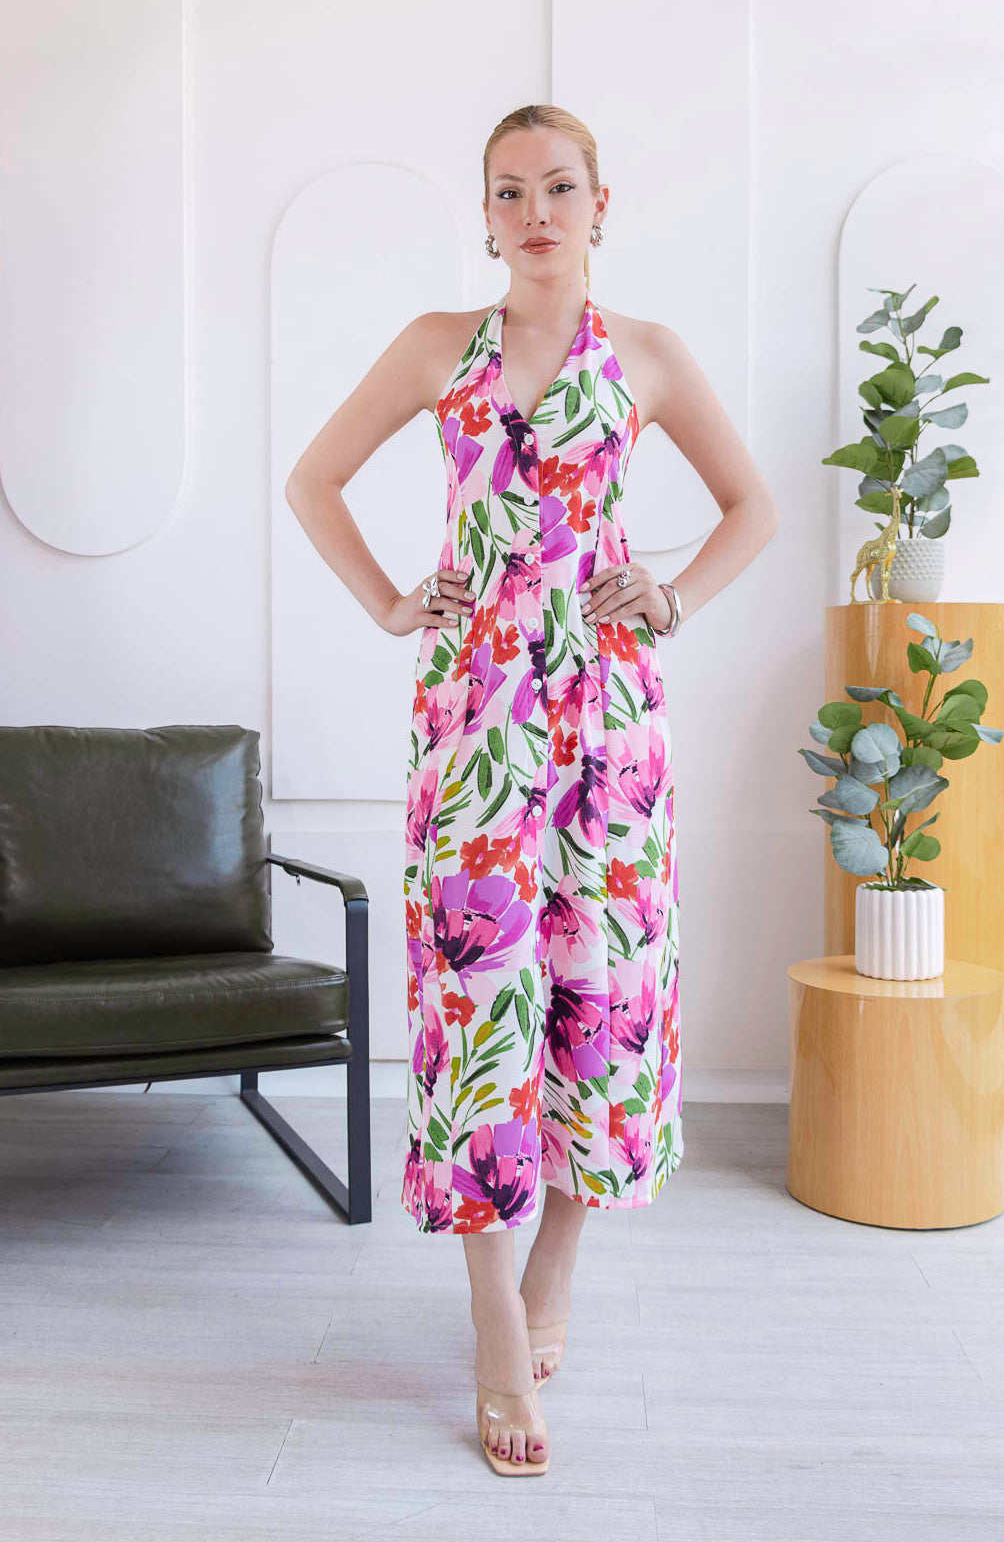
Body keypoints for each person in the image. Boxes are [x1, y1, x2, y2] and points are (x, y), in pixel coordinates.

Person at [285, 102, 779, 1477]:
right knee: (477, 1000)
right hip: (474, 716)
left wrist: (671, 595)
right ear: (487, 214)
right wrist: (393, 601)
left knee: (596, 990)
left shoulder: (650, 356)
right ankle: (493, 1312)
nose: (535, 212)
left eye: (558, 187)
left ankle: (558, 1251)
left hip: (609, 721)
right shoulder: (436, 346)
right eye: (509, 191)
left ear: (600, 203)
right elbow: (314, 479)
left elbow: (754, 507)